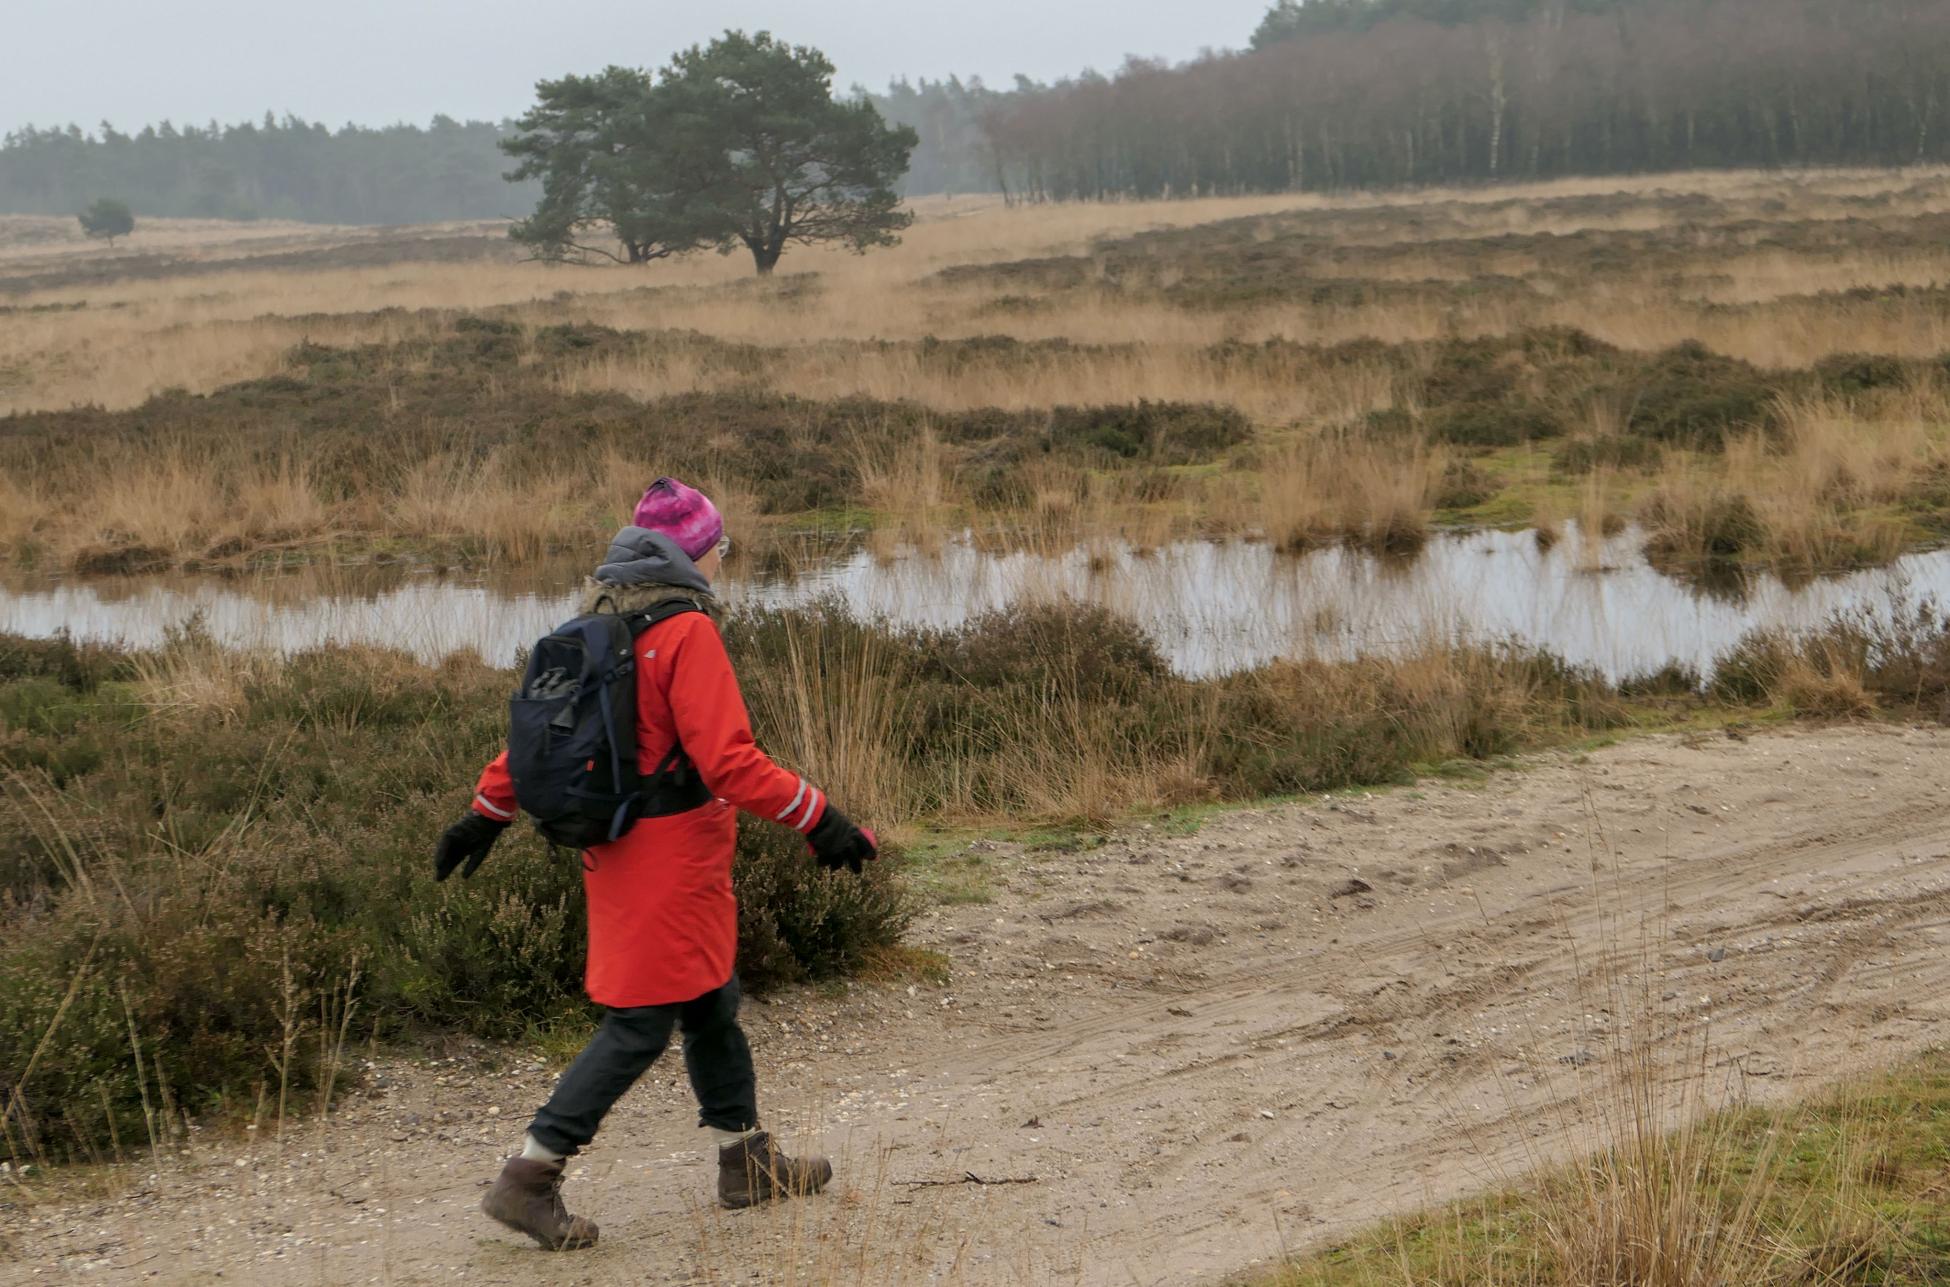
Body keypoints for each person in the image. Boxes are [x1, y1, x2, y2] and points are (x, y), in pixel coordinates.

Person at [432, 477, 880, 1252]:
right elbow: (732, 762)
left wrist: (485, 813)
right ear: (697, 554)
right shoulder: (686, 633)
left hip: (621, 852)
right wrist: (823, 818)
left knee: (711, 997)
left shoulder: (597, 625)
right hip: (674, 857)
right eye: (719, 547)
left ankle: (746, 1161)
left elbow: (536, 741)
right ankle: (528, 1178)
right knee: (639, 1022)